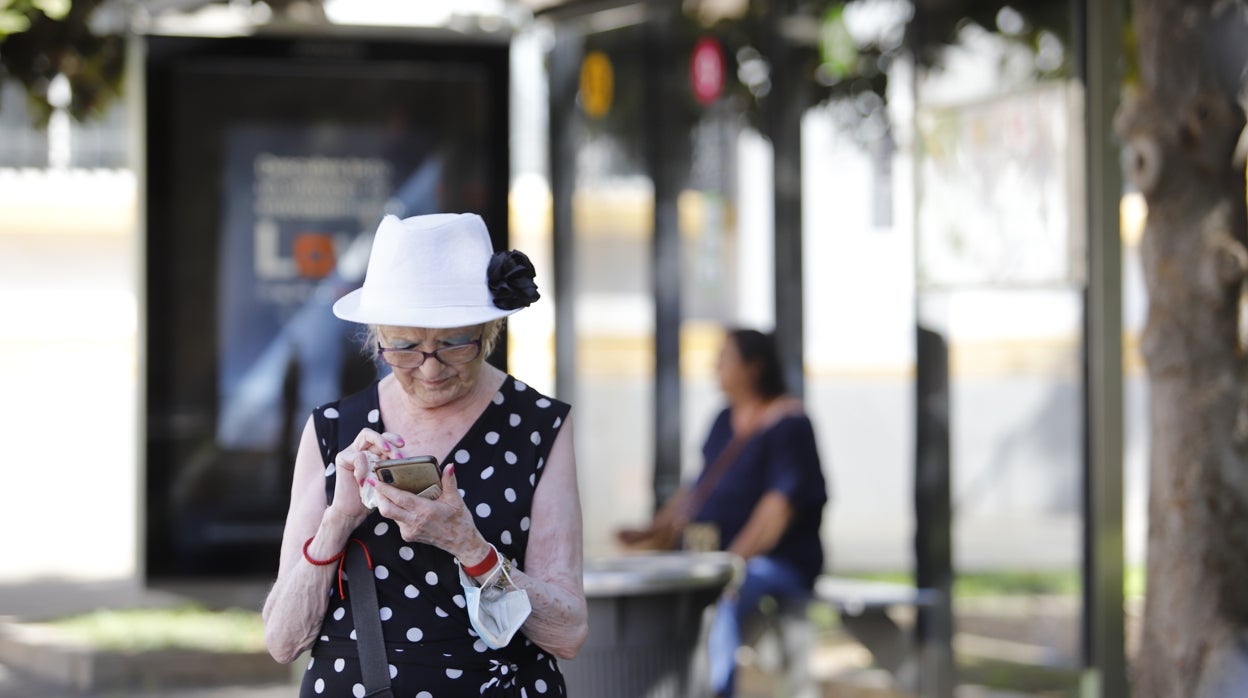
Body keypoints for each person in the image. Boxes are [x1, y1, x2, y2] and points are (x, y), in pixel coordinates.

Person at [263, 212, 588, 697]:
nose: (430, 370)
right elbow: (284, 641)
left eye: (455, 345)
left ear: (489, 329)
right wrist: (339, 520)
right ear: (377, 337)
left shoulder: (538, 427)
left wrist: (470, 547)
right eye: (405, 347)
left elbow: (566, 633)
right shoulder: (333, 430)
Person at [618, 328, 828, 698]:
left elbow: (776, 510)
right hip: (715, 555)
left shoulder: (790, 424)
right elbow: (698, 488)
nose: (715, 364)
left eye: (725, 356)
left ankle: (714, 691)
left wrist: (731, 567)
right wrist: (652, 530)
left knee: (717, 601)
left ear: (754, 367)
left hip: (774, 563)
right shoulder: (723, 419)